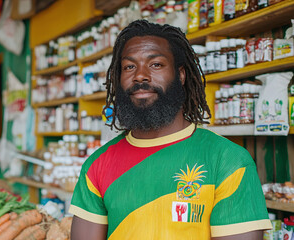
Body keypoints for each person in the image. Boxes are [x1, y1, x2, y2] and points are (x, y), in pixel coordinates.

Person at [69, 20, 272, 240]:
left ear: (181, 75)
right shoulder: (97, 165)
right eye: (129, 66)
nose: (140, 75)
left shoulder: (229, 161)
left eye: (156, 64)